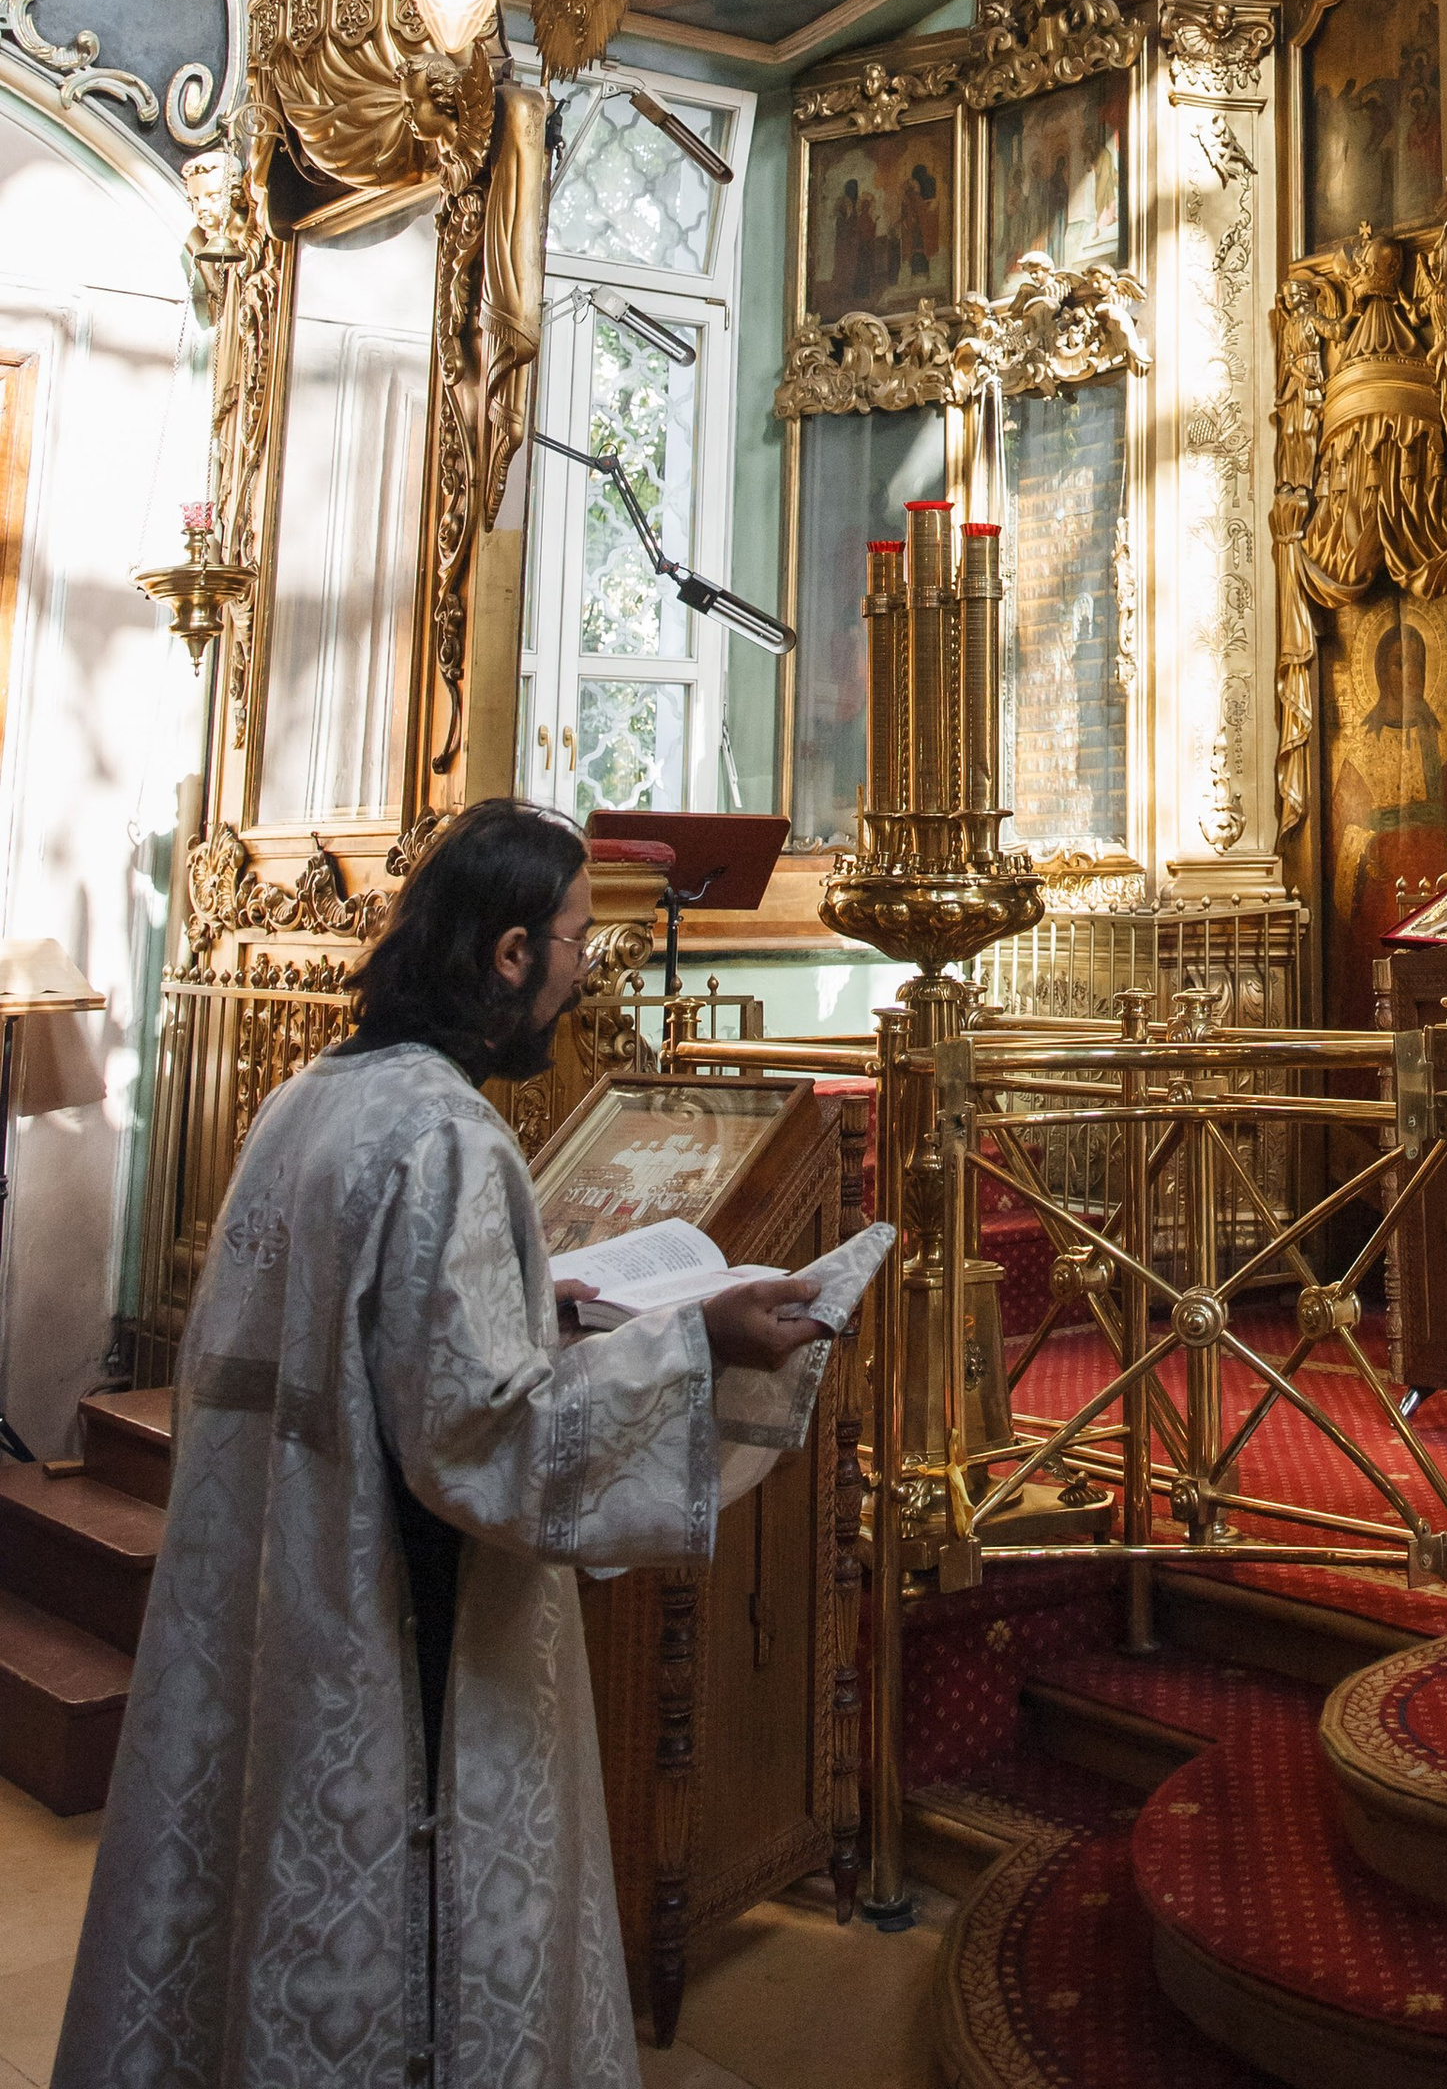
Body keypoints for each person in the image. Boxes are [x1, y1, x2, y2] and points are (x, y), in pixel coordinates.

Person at [55, 802, 884, 2089]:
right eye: (570, 943)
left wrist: (527, 1305)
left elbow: (338, 1347)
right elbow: (494, 1448)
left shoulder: (306, 1104)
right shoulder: (448, 1135)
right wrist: (698, 1344)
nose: (579, 973)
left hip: (282, 1619)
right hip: (394, 1638)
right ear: (507, 956)